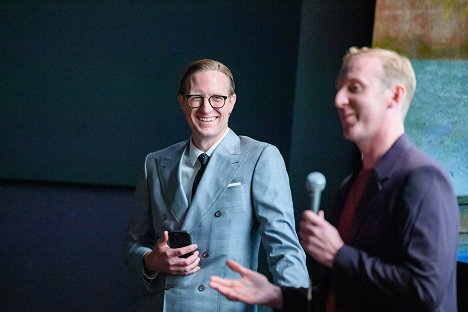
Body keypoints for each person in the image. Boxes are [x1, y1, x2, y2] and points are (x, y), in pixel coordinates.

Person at [210, 47, 460, 311]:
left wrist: (338, 255)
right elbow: (341, 295)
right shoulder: (352, 184)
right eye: (340, 88)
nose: (338, 99)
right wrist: (276, 295)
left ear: (395, 96)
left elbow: (425, 291)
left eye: (354, 88)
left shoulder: (425, 180)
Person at [123, 58, 309, 311]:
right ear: (182, 102)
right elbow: (133, 243)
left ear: (231, 102)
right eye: (196, 98)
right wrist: (152, 260)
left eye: (217, 98)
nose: (206, 108)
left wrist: (297, 304)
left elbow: (283, 247)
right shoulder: (155, 163)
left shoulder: (259, 157)